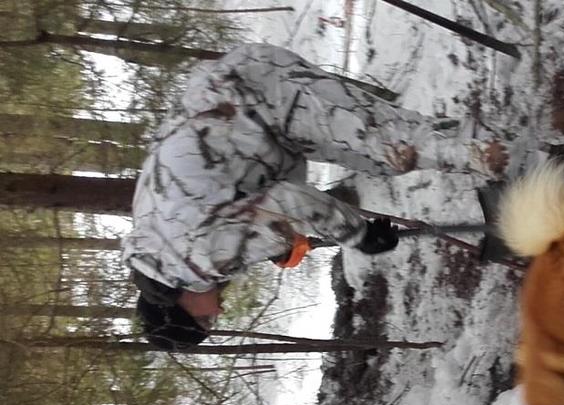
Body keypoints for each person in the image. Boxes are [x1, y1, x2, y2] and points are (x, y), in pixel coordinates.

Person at [124, 44, 509, 351]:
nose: (218, 310)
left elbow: (290, 200)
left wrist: (357, 236)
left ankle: (502, 160)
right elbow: (227, 191)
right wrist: (277, 238)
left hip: (261, 98)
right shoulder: (154, 239)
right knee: (385, 151)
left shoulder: (198, 263)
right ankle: (482, 144)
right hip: (240, 98)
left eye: (207, 319)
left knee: (391, 145)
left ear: (180, 305)